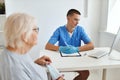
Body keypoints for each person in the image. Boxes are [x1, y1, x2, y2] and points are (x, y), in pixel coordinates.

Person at [0, 13, 63, 80]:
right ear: (24, 35)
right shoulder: (14, 68)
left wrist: (34, 63)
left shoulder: (17, 52)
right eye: (35, 29)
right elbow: (19, 70)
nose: (37, 32)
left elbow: (24, 68)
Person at [45, 9, 94, 80]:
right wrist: (60, 48)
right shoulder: (59, 30)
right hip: (61, 61)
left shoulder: (80, 30)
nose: (77, 23)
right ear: (68, 18)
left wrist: (77, 49)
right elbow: (48, 46)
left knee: (85, 73)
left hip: (76, 60)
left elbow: (91, 45)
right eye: (75, 20)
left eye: (78, 20)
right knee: (54, 75)